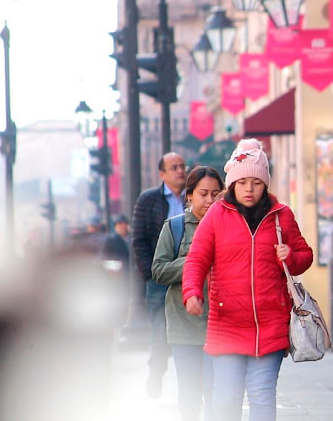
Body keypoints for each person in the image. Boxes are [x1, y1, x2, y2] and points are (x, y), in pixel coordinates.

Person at [182, 141, 313, 421]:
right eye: (242, 182)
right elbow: (196, 259)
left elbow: (305, 256)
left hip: (271, 323)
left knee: (262, 395)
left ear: (265, 184)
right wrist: (192, 292)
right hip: (227, 324)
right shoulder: (217, 215)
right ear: (232, 184)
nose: (249, 189)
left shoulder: (281, 216)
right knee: (226, 399)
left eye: (256, 182)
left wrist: (290, 256)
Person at [152, 166, 225, 421]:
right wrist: (194, 260)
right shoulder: (175, 228)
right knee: (190, 392)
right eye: (203, 193)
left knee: (217, 391)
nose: (210, 200)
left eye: (216, 193)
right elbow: (158, 271)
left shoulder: (229, 226)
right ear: (190, 195)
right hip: (184, 325)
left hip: (221, 324)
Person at [131, 152, 187, 398]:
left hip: (189, 274)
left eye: (182, 166)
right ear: (162, 174)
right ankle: (156, 373)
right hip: (159, 277)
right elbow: (139, 240)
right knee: (160, 331)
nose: (180, 171)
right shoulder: (148, 200)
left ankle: (191, 382)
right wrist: (149, 272)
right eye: (173, 167)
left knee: (190, 330)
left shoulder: (194, 197)